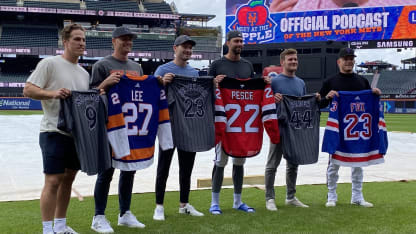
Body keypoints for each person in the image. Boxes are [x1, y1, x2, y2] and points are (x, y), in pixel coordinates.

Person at [23, 23, 89, 234]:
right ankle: (47, 229)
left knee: (69, 178)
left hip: (75, 134)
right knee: (53, 180)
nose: (81, 43)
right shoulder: (49, 64)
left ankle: (60, 226)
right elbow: (28, 89)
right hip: (53, 131)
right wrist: (53, 94)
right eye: (77, 39)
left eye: (84, 39)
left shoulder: (84, 74)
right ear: (65, 41)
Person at [89, 26, 145, 233]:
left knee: (129, 171)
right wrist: (105, 83)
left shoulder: (136, 66)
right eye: (124, 39)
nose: (128, 42)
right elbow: (90, 96)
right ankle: (98, 216)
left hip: (131, 125)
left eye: (130, 39)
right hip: (108, 125)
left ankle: (125, 213)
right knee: (106, 172)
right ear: (113, 41)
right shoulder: (102, 65)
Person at [153, 35, 208, 221]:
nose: (188, 50)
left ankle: (184, 204)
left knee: (187, 167)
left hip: (188, 125)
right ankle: (159, 206)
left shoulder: (194, 73)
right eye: (184, 47)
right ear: (174, 48)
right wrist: (162, 83)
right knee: (164, 167)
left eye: (190, 48)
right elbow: (152, 95)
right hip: (168, 125)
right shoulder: (163, 69)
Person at [318, 47, 381, 208]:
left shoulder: (362, 80)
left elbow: (368, 101)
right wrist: (327, 97)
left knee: (358, 164)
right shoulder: (330, 81)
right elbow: (320, 103)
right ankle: (331, 195)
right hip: (339, 129)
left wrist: (373, 93)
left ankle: (357, 196)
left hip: (357, 129)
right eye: (346, 58)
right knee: (333, 164)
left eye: (351, 58)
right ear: (339, 61)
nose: (349, 61)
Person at [265, 48, 321, 211]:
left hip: (295, 128)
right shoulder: (274, 82)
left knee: (293, 163)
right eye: (290, 59)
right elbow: (265, 102)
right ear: (282, 62)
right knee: (272, 164)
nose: (294, 62)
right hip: (279, 127)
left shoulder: (300, 83)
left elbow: (303, 104)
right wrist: (273, 99)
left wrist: (315, 99)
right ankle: (269, 197)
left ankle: (290, 196)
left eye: (295, 59)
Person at [209, 30, 258, 215]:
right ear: (228, 43)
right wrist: (213, 82)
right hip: (224, 119)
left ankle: (238, 200)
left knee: (239, 161)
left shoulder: (247, 65)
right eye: (236, 41)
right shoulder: (217, 64)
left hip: (243, 122)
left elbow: (253, 91)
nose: (240, 44)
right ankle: (215, 202)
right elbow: (207, 88)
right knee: (220, 161)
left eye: (242, 41)